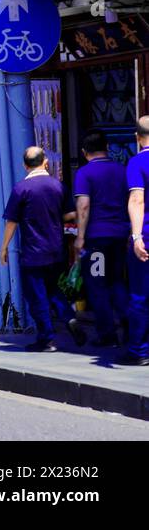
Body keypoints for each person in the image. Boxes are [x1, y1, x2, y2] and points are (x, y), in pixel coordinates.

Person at [1, 146, 85, 352]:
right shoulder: (58, 186)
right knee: (53, 289)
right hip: (56, 250)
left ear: (24, 165)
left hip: (33, 252)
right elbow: (69, 215)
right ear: (45, 162)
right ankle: (68, 317)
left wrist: (3, 248)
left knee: (36, 295)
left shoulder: (21, 189)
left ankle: (46, 338)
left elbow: (11, 222)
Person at [72, 131, 129, 347]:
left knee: (98, 285)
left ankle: (108, 335)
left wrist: (80, 237)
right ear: (106, 147)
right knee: (117, 281)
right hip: (119, 236)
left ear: (85, 152)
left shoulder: (85, 174)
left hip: (97, 239)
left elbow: (83, 206)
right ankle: (130, 325)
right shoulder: (121, 170)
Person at [122, 117, 149, 365]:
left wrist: (136, 236)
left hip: (148, 238)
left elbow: (137, 200)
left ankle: (140, 350)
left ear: (137, 137)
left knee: (140, 295)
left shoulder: (137, 162)